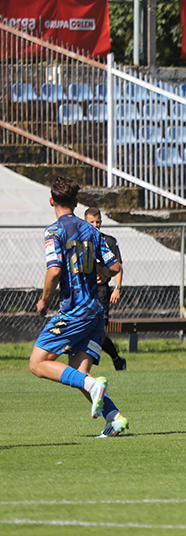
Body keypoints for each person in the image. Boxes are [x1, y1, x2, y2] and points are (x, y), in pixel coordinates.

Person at [29, 177, 128, 437]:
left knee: (38, 363)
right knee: (77, 373)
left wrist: (44, 300)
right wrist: (100, 272)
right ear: (76, 202)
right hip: (96, 312)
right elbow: (115, 267)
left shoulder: (54, 231)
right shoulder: (91, 230)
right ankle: (115, 418)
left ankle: (94, 385)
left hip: (75, 311)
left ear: (52, 201)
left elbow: (53, 271)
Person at [84, 207, 127, 371]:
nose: (95, 225)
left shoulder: (108, 241)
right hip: (84, 292)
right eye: (91, 222)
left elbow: (118, 266)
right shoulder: (80, 242)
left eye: (98, 222)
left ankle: (114, 360)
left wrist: (116, 288)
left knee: (99, 330)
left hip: (101, 292)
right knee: (84, 327)